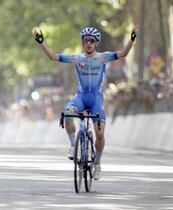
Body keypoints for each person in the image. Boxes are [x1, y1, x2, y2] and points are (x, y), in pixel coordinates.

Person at [32, 25, 139, 180]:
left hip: (96, 99)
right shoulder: (77, 59)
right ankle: (73, 145)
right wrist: (42, 43)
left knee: (100, 134)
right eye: (85, 41)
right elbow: (54, 57)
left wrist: (132, 39)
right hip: (81, 98)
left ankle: (97, 163)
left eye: (91, 41)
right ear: (83, 43)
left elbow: (123, 53)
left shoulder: (103, 57)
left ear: (96, 43)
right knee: (68, 114)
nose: (88, 43)